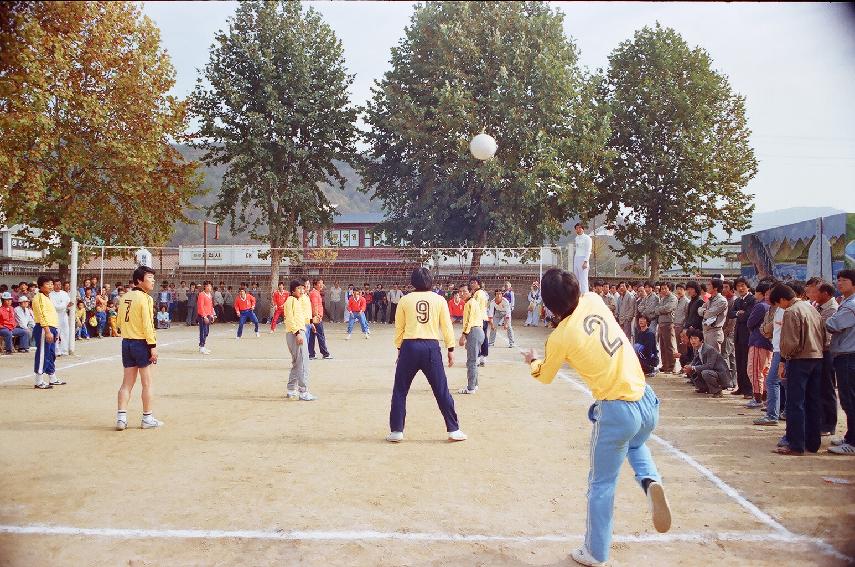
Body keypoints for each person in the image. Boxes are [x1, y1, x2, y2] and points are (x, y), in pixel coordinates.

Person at [521, 268, 670, 567]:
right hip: (646, 399)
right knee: (637, 444)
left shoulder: (560, 336)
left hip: (617, 410)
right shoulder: (594, 301)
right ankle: (650, 479)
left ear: (550, 306)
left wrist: (533, 361)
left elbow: (545, 375)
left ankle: (595, 552)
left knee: (601, 484)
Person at [387, 267, 465, 443]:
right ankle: (454, 429)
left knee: (400, 389)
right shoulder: (439, 300)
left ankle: (396, 431)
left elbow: (399, 328)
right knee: (441, 389)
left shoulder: (405, 300)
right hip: (431, 346)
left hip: (409, 346)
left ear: (412, 281)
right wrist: (450, 349)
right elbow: (447, 326)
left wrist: (399, 350)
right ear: (431, 281)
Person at [773, 283, 824, 456]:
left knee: (795, 403)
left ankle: (795, 444)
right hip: (817, 358)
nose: (780, 307)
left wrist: (785, 359)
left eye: (779, 304)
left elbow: (790, 342)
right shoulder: (811, 308)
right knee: (813, 401)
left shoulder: (791, 311)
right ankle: (813, 442)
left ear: (782, 299)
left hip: (799, 360)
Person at [115, 265, 162, 430]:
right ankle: (147, 418)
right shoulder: (146, 299)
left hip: (126, 342)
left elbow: (119, 323)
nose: (153, 280)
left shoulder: (125, 297)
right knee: (147, 383)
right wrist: (153, 346)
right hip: (141, 343)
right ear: (139, 280)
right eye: (149, 277)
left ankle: (121, 418)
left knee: (126, 383)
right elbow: (148, 325)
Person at [825, 269, 855, 455]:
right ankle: (850, 436)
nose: (839, 283)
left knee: (849, 399)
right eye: (838, 280)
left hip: (849, 356)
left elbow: (832, 324)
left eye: (844, 280)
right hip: (845, 355)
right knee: (848, 398)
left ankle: (852, 442)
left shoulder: (851, 305)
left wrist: (828, 319)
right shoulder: (845, 302)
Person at [283, 280, 317, 401]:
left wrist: (311, 322)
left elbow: (300, 317)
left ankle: (291, 389)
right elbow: (290, 319)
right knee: (303, 362)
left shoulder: (296, 301)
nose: (301, 291)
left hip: (297, 331)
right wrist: (297, 333)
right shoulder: (291, 301)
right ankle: (303, 391)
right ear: (293, 291)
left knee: (297, 363)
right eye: (299, 289)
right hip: (295, 333)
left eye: (301, 289)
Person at [31, 275, 65, 389]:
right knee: (43, 354)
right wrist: (47, 330)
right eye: (47, 284)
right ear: (41, 286)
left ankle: (52, 377)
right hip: (44, 328)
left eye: (51, 284)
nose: (50, 286)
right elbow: (41, 315)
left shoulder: (47, 297)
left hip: (52, 327)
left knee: (51, 354)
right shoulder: (39, 297)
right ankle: (39, 380)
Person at [816, 282, 839, 437]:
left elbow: (826, 335)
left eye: (816, 292)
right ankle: (822, 421)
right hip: (819, 352)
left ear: (826, 294)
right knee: (821, 388)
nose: (813, 294)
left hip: (827, 352)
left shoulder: (831, 309)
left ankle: (829, 424)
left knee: (827, 389)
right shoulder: (819, 307)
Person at [745, 282, 773, 408]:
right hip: (768, 343)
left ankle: (757, 398)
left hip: (758, 341)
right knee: (765, 371)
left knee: (755, 370)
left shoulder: (760, 306)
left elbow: (750, 323)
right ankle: (765, 397)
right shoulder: (771, 307)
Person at [683, 329, 730, 397]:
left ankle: (717, 391)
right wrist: (688, 367)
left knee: (705, 372)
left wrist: (693, 367)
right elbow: (694, 361)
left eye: (695, 338)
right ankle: (704, 388)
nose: (693, 341)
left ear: (701, 340)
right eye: (691, 339)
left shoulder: (709, 349)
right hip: (712, 372)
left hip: (720, 374)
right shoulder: (696, 348)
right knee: (691, 369)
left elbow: (709, 366)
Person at [730, 277, 756, 397]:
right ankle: (740, 387)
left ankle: (748, 390)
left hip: (748, 335)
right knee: (739, 361)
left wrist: (739, 314)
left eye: (743, 285)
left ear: (748, 286)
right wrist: (737, 313)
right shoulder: (737, 301)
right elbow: (731, 313)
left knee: (747, 362)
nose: (740, 288)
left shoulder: (752, 299)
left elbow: (747, 316)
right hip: (738, 335)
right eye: (738, 286)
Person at [457, 284, 484, 394]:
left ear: (470, 292)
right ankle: (475, 384)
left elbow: (469, 321)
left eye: (464, 291)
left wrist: (463, 336)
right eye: (460, 291)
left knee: (471, 361)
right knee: (473, 360)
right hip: (478, 332)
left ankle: (471, 387)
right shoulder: (472, 303)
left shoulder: (470, 303)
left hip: (474, 331)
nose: (461, 293)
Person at [698, 279, 728, 353]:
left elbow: (709, 314)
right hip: (706, 331)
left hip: (714, 332)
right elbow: (699, 310)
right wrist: (704, 311)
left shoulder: (722, 301)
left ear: (715, 288)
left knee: (714, 358)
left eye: (709, 285)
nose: (707, 287)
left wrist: (704, 311)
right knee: (708, 358)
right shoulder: (710, 299)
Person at [654, 282, 677, 373]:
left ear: (669, 288)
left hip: (668, 323)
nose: (663, 290)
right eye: (662, 289)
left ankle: (671, 366)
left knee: (669, 346)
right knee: (662, 346)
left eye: (665, 288)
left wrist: (660, 309)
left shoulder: (673, 298)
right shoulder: (662, 298)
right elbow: (657, 309)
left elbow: (668, 308)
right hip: (661, 324)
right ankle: (665, 365)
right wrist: (660, 310)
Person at [308, 279, 332, 360]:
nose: (321, 285)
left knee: (312, 336)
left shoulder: (315, 293)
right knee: (320, 335)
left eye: (322, 283)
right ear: (315, 285)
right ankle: (325, 353)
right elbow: (314, 306)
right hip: (316, 318)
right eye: (319, 283)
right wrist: (317, 316)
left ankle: (311, 354)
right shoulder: (314, 293)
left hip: (313, 317)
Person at [469, 277, 490, 366]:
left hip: (478, 319)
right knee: (484, 338)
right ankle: (483, 358)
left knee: (476, 339)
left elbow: (474, 306)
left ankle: (477, 358)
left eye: (474, 282)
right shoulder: (483, 293)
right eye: (471, 283)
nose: (472, 284)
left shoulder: (477, 293)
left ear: (478, 284)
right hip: (484, 318)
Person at [49, 279, 72, 356]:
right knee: (56, 333)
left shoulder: (64, 293)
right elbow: (56, 307)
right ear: (53, 285)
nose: (58, 286)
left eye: (59, 284)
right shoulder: (50, 295)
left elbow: (69, 303)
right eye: (56, 285)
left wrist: (66, 305)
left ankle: (64, 350)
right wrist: (65, 304)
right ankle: (56, 350)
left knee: (65, 332)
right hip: (55, 316)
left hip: (64, 315)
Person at [573, 222, 592, 294]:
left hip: (583, 259)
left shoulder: (587, 238)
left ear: (583, 229)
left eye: (580, 228)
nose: (578, 229)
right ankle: (578, 294)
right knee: (576, 279)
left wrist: (585, 261)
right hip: (576, 259)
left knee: (583, 279)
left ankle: (585, 295)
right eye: (577, 228)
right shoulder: (576, 238)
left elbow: (588, 250)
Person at [197, 281, 215, 354]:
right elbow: (200, 306)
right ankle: (202, 347)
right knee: (203, 331)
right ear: (204, 287)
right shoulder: (201, 295)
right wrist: (204, 316)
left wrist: (212, 315)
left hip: (208, 315)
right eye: (207, 286)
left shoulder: (210, 295)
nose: (209, 287)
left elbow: (210, 306)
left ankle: (202, 345)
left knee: (206, 332)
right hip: (202, 316)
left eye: (210, 286)